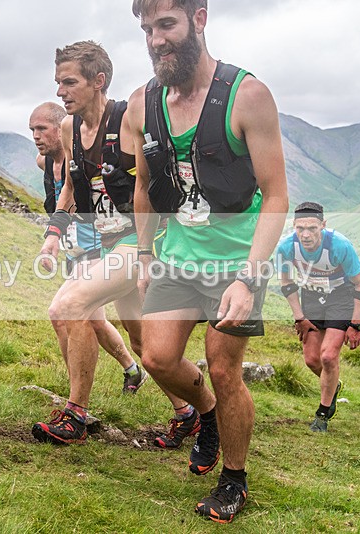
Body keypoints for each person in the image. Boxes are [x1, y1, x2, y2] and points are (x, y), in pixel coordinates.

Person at [129, 0, 289, 523]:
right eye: (148, 29)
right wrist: (146, 252)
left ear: (199, 19)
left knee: (224, 368)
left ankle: (234, 479)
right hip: (176, 258)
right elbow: (144, 188)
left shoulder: (247, 95)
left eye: (167, 25)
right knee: (156, 358)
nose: (156, 40)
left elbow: (276, 196)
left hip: (235, 261)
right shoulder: (141, 104)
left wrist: (249, 278)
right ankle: (208, 417)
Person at [32, 41, 200, 449]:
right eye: (58, 83)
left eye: (69, 82)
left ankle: (75, 414)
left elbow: (153, 182)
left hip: (139, 241)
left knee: (70, 307)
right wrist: (53, 239)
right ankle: (190, 412)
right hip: (101, 243)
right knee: (146, 345)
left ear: (99, 81)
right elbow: (70, 189)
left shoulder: (127, 118)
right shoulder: (70, 129)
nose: (60, 92)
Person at [29, 102, 148, 394]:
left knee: (65, 311)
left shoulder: (85, 154)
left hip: (102, 245)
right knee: (132, 336)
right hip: (75, 250)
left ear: (61, 130)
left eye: (41, 129)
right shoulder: (43, 164)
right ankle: (137, 374)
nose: (35, 136)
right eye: (32, 130)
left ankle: (79, 399)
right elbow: (65, 195)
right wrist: (53, 238)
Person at [276, 202, 360, 431]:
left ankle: (322, 414)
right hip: (311, 299)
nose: (305, 234)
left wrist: (356, 325)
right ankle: (333, 384)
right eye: (300, 228)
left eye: (312, 228)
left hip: (340, 298)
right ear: (294, 227)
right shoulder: (286, 248)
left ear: (323, 225)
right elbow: (287, 284)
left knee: (328, 357)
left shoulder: (339, 245)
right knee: (311, 359)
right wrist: (299, 317)